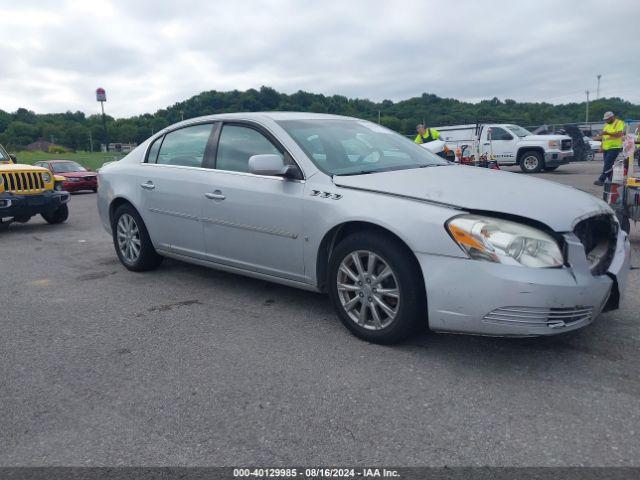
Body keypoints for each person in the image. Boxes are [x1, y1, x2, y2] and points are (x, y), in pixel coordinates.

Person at [594, 111, 625, 185]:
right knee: (608, 164)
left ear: (612, 117)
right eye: (605, 119)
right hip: (606, 148)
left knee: (608, 164)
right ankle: (612, 179)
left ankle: (601, 180)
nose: (606, 121)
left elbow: (619, 134)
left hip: (614, 147)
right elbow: (604, 137)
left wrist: (607, 133)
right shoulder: (606, 125)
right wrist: (601, 146)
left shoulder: (619, 123)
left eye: (607, 119)